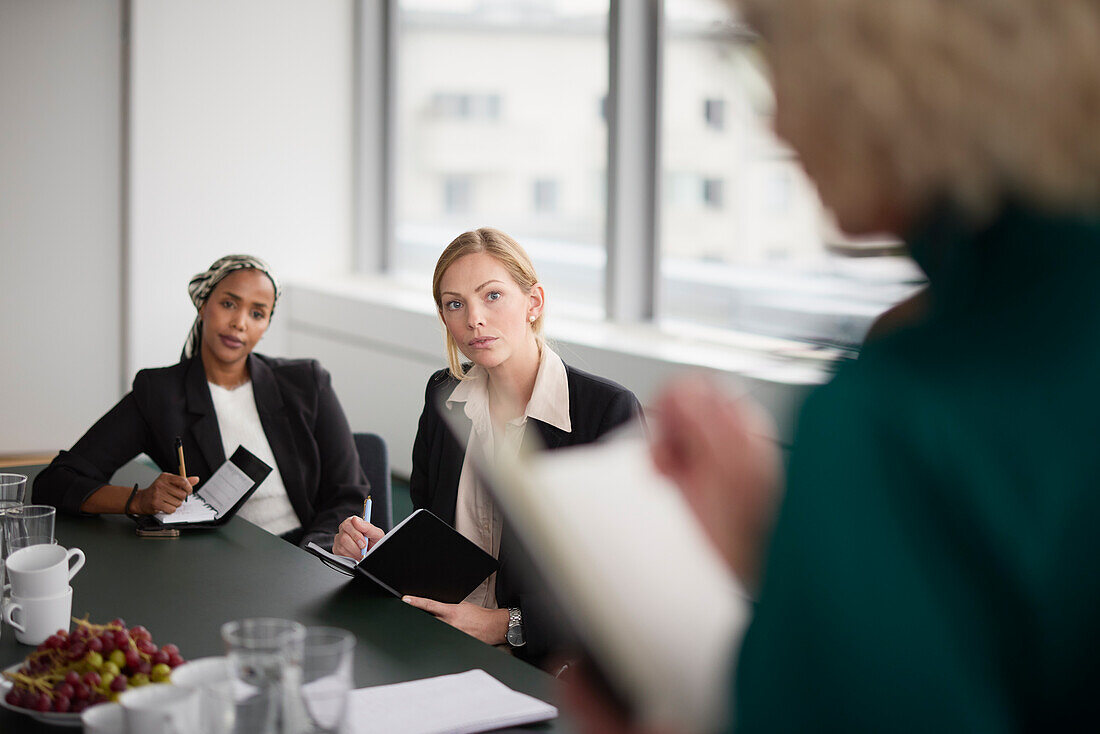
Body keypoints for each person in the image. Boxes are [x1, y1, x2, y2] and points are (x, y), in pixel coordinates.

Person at [567, 0, 1100, 731]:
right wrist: (788, 551)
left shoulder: (900, 413)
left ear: (880, 61)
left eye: (773, 50)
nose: (776, 121)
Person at [333, 227, 642, 668]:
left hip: (549, 662)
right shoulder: (444, 395)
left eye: (492, 296)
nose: (474, 319)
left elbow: (624, 587)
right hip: (439, 637)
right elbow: (433, 530)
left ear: (533, 302)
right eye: (455, 304)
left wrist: (503, 625)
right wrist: (383, 553)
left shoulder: (606, 411)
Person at [34, 255, 370, 549]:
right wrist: (138, 500)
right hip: (219, 564)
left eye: (257, 313)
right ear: (203, 304)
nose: (240, 322)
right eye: (228, 304)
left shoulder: (306, 381)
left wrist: (313, 555)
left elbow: (349, 492)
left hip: (306, 553)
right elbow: (56, 482)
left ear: (266, 325)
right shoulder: (160, 392)